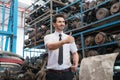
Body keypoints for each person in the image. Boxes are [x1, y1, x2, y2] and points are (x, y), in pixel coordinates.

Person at [44, 14, 79, 80]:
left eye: (63, 22)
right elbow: (50, 47)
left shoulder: (69, 38)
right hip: (52, 74)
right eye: (59, 22)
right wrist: (64, 41)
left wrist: (76, 64)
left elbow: (75, 53)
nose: (62, 24)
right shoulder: (48, 37)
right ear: (54, 24)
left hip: (67, 73)